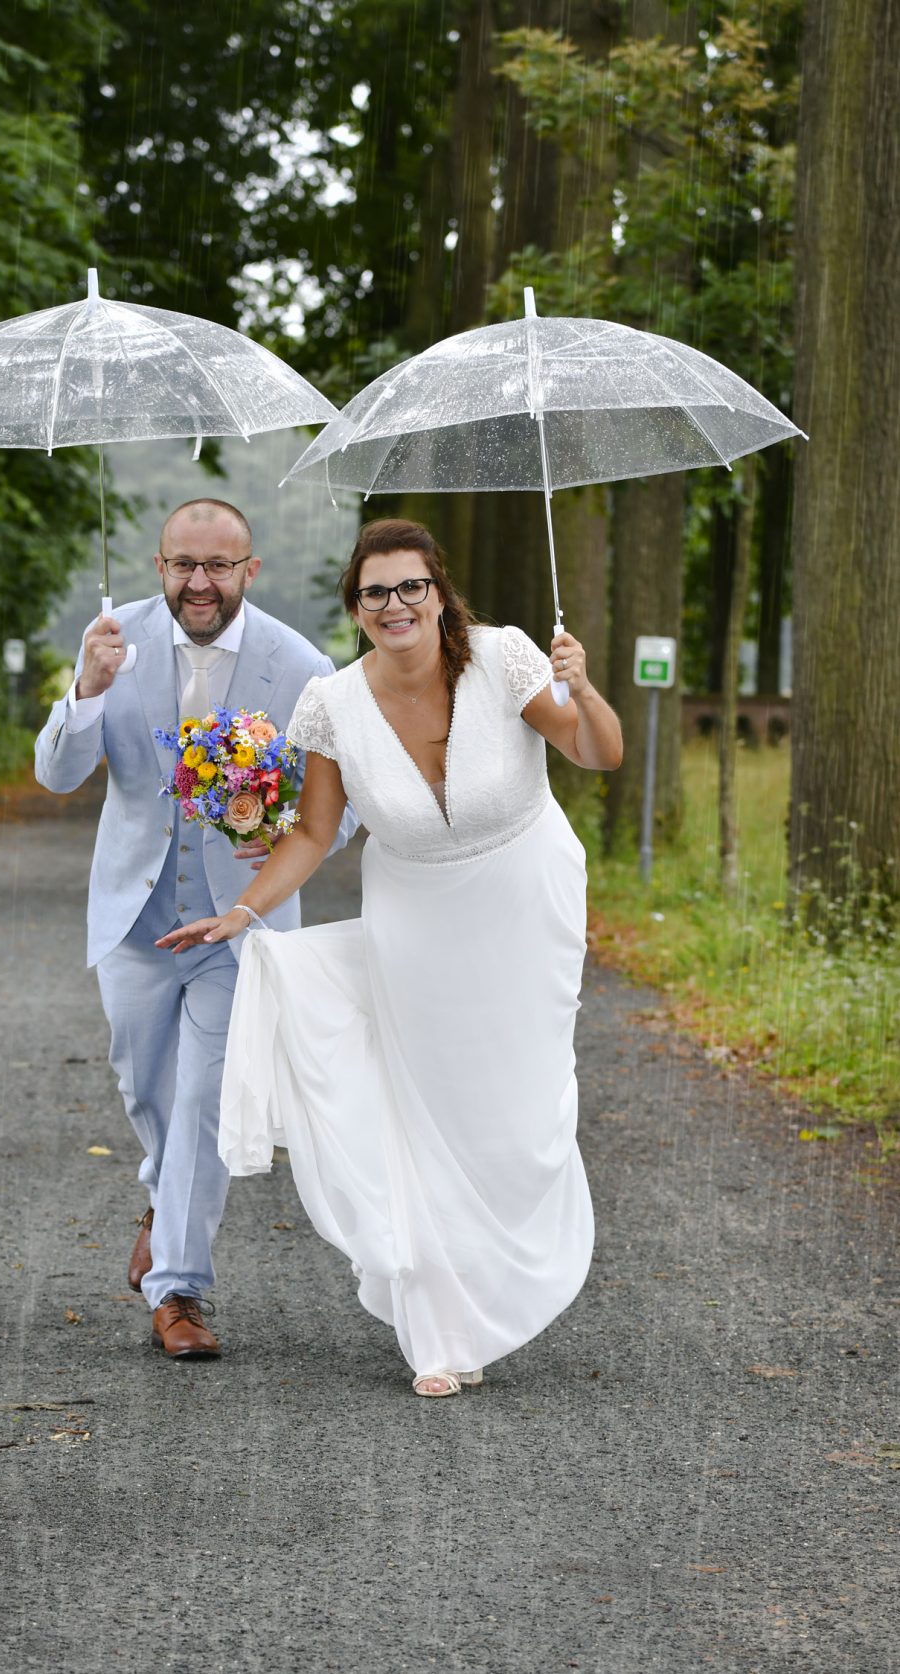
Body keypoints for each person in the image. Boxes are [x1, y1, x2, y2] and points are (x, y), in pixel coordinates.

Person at [158, 517, 623, 1396]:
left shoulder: (504, 658)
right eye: (375, 592)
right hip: (414, 921)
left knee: (517, 1113)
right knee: (427, 1115)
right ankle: (444, 1330)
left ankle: (506, 1281)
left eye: (412, 586)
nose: (395, 604)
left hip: (526, 904)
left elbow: (596, 752)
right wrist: (243, 911)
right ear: (356, 609)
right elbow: (314, 833)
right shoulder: (331, 704)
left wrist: (584, 688)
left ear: (439, 593)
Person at [34, 498, 356, 1360]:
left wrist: (275, 835)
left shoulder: (301, 666)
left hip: (240, 924)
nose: (200, 582)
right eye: (184, 565)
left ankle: (177, 1289)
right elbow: (58, 775)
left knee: (207, 1098)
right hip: (135, 917)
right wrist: (85, 691)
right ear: (159, 567)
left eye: (219, 565)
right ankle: (163, 1193)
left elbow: (343, 809)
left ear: (251, 569)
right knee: (147, 1090)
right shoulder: (113, 643)